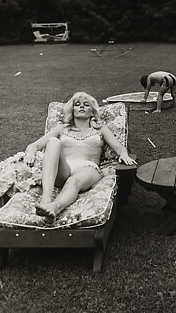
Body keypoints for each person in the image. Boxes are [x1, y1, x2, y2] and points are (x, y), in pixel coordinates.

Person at [24, 91, 136, 223]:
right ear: (72, 110)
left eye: (86, 104)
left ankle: (54, 208)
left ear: (92, 111)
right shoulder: (62, 129)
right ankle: (46, 199)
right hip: (64, 168)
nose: (81, 107)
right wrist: (30, 152)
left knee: (74, 181)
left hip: (87, 169)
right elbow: (34, 146)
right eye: (77, 104)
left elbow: (119, 148)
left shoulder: (100, 129)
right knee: (53, 142)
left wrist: (124, 154)